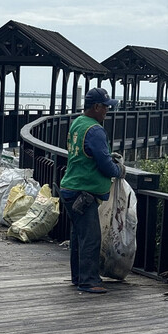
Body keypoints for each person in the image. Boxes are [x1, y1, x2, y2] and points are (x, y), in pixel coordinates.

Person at [60, 87, 126, 294]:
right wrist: (119, 170)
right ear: (96, 107)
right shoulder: (96, 130)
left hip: (70, 188)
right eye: (106, 107)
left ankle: (78, 276)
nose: (108, 110)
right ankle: (89, 280)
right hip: (84, 191)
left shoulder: (78, 123)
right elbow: (105, 164)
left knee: (80, 235)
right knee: (91, 237)